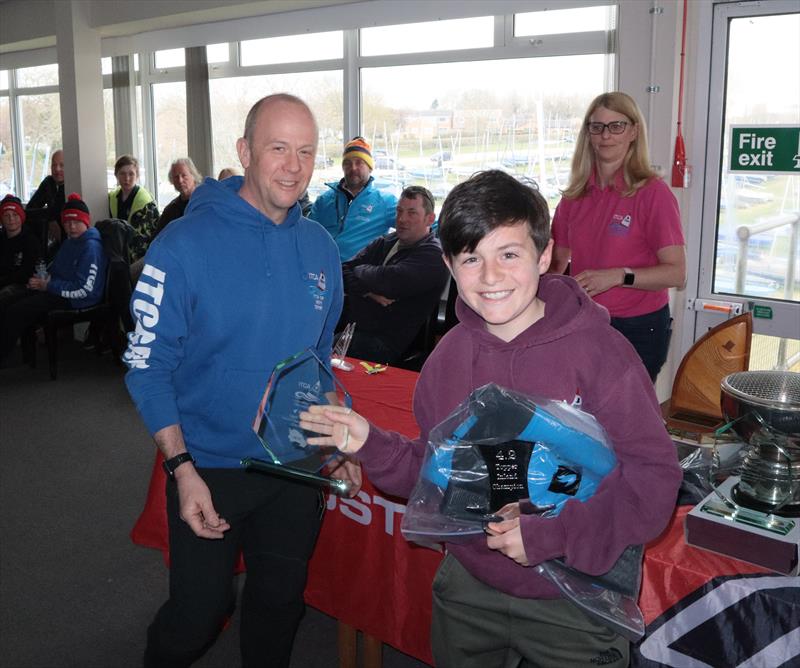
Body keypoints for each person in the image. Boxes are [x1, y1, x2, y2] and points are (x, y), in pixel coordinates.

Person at [299, 170, 682, 668]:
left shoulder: (601, 354)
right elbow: (435, 471)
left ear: (544, 256)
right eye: (471, 259)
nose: (491, 277)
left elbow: (654, 480)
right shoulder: (448, 359)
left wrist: (555, 535)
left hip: (573, 596)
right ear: (449, 265)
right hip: (471, 583)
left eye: (509, 254)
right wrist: (370, 442)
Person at [124, 93, 355, 668]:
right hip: (211, 467)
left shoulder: (322, 249)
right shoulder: (181, 246)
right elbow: (147, 368)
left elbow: (318, 359)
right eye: (278, 148)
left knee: (279, 607)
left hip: (295, 468)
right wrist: (180, 469)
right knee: (199, 613)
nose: (294, 166)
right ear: (245, 152)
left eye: (306, 151)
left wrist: (334, 436)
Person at [549, 92, 686, 382]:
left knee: (625, 418)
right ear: (587, 133)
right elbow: (555, 263)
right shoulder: (575, 195)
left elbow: (677, 273)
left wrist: (618, 275)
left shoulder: (653, 193)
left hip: (639, 327)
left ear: (634, 131)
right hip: (586, 321)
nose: (605, 136)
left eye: (616, 126)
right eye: (597, 127)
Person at [341, 185, 448, 364]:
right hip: (355, 327)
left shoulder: (433, 255)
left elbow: (389, 281)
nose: (402, 219)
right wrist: (368, 292)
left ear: (430, 219)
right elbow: (342, 270)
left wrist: (360, 270)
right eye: (399, 211)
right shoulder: (386, 241)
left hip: (387, 343)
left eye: (411, 213)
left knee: (324, 350)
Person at [1, 193, 107, 364]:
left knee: (16, 311)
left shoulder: (91, 248)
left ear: (86, 222)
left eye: (76, 222)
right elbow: (56, 269)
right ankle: (22, 353)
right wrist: (42, 278)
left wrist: (48, 286)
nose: (71, 227)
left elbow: (85, 290)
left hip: (76, 299)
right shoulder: (70, 241)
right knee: (9, 300)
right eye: (67, 222)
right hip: (58, 289)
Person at [308, 136, 397, 260]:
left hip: (358, 274)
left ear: (370, 168)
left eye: (359, 162)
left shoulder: (385, 202)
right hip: (321, 271)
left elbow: (418, 225)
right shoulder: (324, 200)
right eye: (347, 163)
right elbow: (306, 235)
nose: (353, 168)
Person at [108, 155, 160, 263]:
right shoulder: (112, 197)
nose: (127, 178)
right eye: (122, 173)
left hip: (142, 258)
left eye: (131, 174)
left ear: (137, 176)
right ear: (116, 175)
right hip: (119, 256)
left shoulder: (145, 202)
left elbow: (148, 237)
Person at [0, 195, 41, 318]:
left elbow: (27, 273)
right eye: (6, 215)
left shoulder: (30, 241)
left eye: (15, 215)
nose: (11, 219)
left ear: (21, 217)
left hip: (23, 284)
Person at [25, 149, 66, 255]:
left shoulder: (73, 183)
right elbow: (30, 209)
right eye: (54, 165)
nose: (57, 169)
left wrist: (51, 216)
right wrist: (50, 219)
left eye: (62, 165)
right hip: (50, 237)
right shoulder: (48, 182)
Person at [153, 158, 202, 238]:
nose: (180, 180)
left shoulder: (204, 201)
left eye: (184, 175)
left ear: (193, 176)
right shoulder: (170, 209)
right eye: (176, 177)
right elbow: (158, 238)